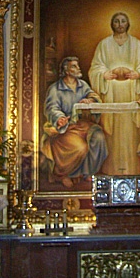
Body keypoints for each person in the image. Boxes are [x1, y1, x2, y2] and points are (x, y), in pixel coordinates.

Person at [89, 12, 140, 174]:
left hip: (132, 92)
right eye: (116, 21)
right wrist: (103, 75)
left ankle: (133, 168)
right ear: (112, 24)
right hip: (111, 93)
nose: (120, 24)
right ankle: (111, 169)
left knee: (131, 133)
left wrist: (139, 74)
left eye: (123, 21)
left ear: (127, 23)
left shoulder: (137, 44)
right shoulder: (104, 44)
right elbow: (95, 68)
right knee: (112, 133)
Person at [40, 56, 108, 188]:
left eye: (77, 66)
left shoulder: (82, 85)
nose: (78, 69)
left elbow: (93, 96)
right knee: (80, 147)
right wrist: (59, 118)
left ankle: (88, 172)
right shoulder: (56, 89)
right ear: (66, 71)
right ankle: (62, 174)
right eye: (74, 66)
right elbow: (51, 108)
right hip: (66, 128)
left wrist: (90, 100)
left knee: (99, 137)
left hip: (82, 125)